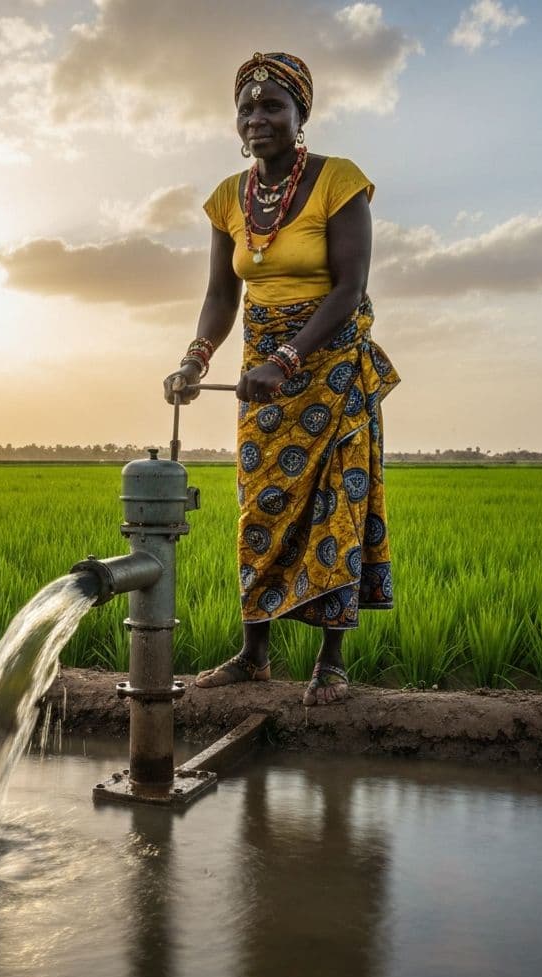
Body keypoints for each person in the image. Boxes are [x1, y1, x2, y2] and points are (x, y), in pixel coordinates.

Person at [163, 51, 400, 706]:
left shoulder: (339, 182)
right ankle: (254, 654)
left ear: (301, 116)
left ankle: (331, 662)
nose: (256, 118)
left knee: (335, 507)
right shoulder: (226, 199)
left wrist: (288, 359)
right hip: (260, 371)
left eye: (272, 106)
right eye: (246, 107)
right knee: (260, 504)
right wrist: (195, 358)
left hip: (330, 363)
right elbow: (221, 295)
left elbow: (349, 288)